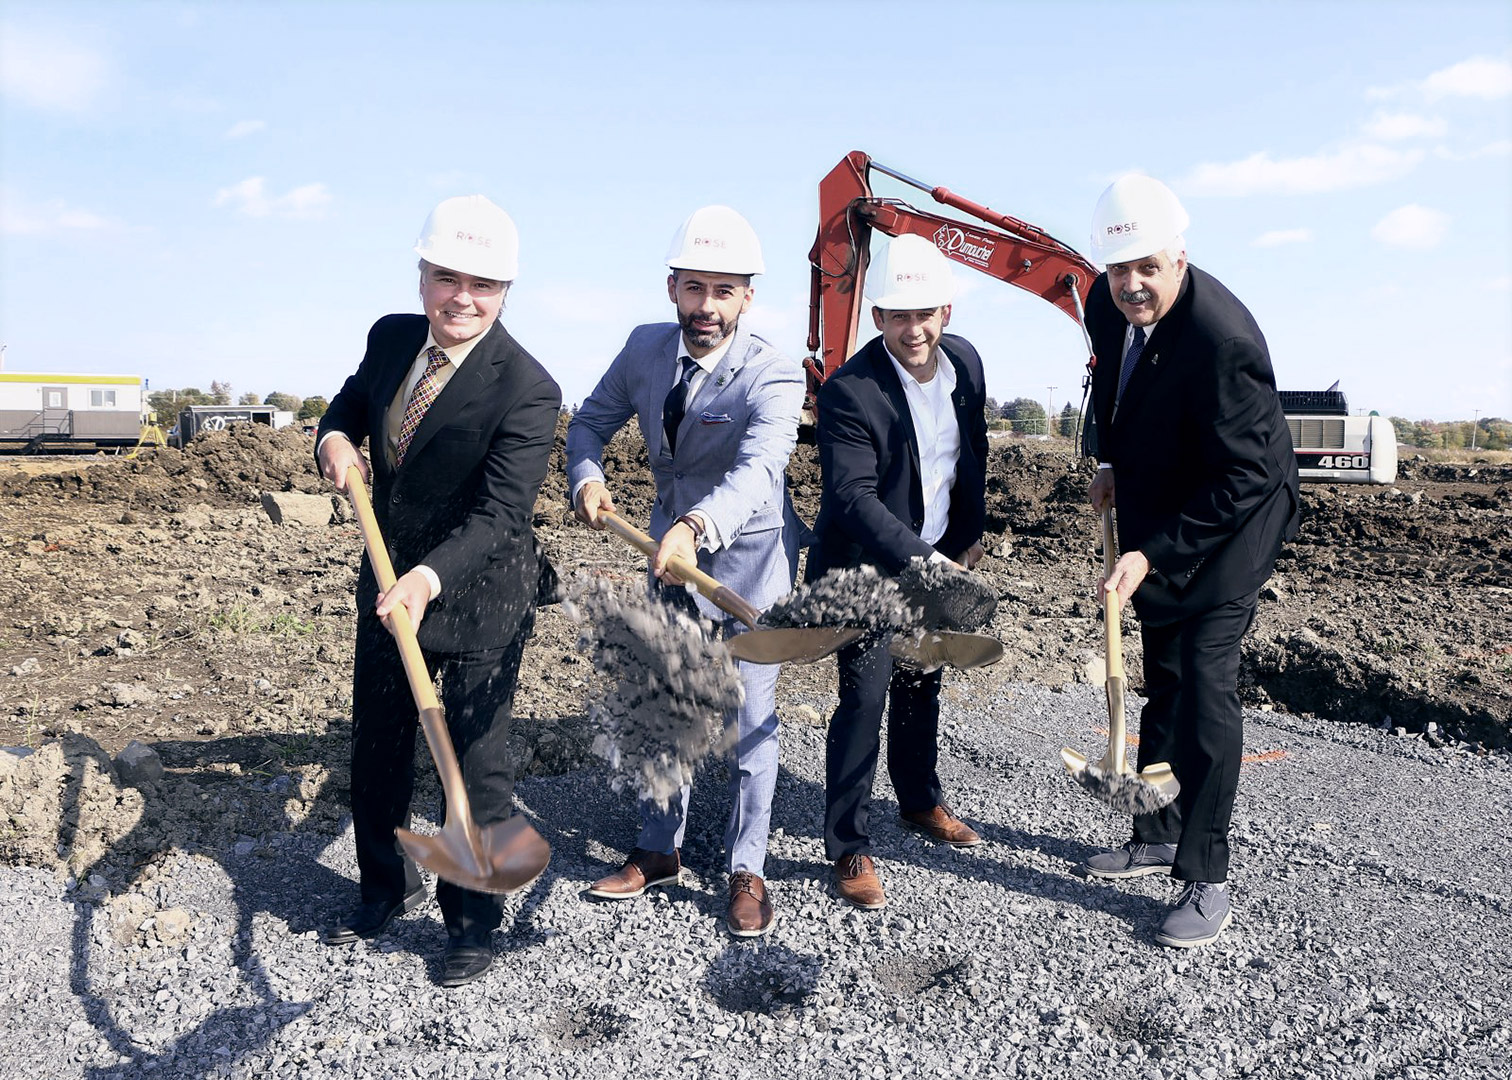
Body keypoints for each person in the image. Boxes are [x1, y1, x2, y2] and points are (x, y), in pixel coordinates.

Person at [315, 195, 562, 986]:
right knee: (379, 742)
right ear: (422, 276)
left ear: (506, 292)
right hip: (387, 578)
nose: (463, 297)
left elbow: (499, 514)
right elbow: (354, 403)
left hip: (481, 590)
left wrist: (428, 579)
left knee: (473, 758)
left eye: (482, 285)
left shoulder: (526, 387)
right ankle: (385, 885)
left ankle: (471, 923)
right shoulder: (392, 338)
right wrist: (331, 436)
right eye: (447, 277)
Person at [567, 205, 803, 938]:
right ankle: (659, 849)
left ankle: (747, 869)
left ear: (747, 298)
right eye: (694, 288)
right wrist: (587, 477)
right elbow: (588, 421)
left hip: (748, 561)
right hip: (665, 558)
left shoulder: (773, 372)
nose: (706, 306)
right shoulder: (643, 348)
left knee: (749, 717)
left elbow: (760, 471)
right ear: (672, 287)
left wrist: (696, 529)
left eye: (723, 291)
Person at [1080, 174, 1298, 948]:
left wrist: (1151, 552)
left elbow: (1247, 477)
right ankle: (1161, 829)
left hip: (1232, 525)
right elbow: (1114, 388)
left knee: (1204, 689)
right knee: (1164, 673)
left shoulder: (1223, 340)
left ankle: (1205, 875)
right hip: (1160, 507)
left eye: (1147, 267)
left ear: (1179, 256)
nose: (1131, 285)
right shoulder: (1103, 303)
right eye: (1118, 270)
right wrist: (1108, 461)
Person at [808, 234, 990, 911]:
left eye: (925, 315)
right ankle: (848, 844)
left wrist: (968, 538)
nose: (913, 331)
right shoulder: (850, 392)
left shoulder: (966, 366)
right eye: (897, 315)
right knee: (865, 697)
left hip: (937, 555)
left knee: (922, 683)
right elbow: (852, 499)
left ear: (945, 311)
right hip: (866, 567)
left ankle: (919, 801)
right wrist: (927, 563)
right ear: (877, 316)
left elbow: (969, 456)